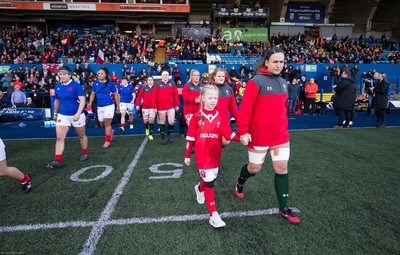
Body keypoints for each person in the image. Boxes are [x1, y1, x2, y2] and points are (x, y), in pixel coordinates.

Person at [235, 47, 300, 224]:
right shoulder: (255, 82)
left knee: (282, 168)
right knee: (254, 169)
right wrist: (243, 131)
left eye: (281, 61)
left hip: (280, 136)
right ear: (267, 62)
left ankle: (284, 207)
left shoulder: (284, 82)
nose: (279, 65)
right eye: (275, 61)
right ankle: (240, 180)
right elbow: (246, 109)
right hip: (259, 135)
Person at [184, 85, 238, 228]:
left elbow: (229, 134)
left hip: (215, 154)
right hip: (202, 156)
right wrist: (187, 154)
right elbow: (190, 137)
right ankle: (213, 215)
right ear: (202, 98)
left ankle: (199, 189)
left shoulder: (220, 117)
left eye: (215, 98)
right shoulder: (196, 117)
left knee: (210, 178)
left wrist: (243, 138)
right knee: (210, 182)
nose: (213, 100)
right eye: (210, 97)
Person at [46, 66, 88, 169]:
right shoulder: (58, 87)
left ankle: (84, 152)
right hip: (63, 115)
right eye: (60, 74)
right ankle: (57, 160)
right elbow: (57, 101)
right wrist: (55, 114)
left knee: (81, 135)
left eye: (64, 74)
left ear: (69, 75)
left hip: (76, 114)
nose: (62, 76)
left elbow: (82, 100)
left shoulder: (76, 86)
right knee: (59, 137)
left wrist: (78, 114)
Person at [210, 68, 239, 173]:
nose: (221, 78)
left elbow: (233, 108)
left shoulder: (229, 89)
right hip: (211, 122)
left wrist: (239, 119)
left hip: (224, 122)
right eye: (219, 76)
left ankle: (209, 153)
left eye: (223, 76)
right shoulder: (209, 89)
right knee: (215, 143)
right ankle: (215, 164)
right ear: (214, 77)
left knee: (226, 142)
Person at [88, 67, 120, 149]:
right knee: (102, 124)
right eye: (99, 73)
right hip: (99, 107)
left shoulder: (110, 84)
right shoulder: (95, 84)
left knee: (107, 123)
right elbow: (93, 94)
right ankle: (111, 131)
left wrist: (118, 106)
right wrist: (90, 103)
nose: (99, 75)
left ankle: (107, 141)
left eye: (102, 73)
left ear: (105, 75)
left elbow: (115, 95)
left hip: (109, 106)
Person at [153, 70, 179, 145]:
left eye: (167, 75)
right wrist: (155, 107)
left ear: (169, 76)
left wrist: (177, 104)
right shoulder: (157, 84)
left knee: (171, 122)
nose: (165, 76)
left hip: (170, 106)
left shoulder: (172, 83)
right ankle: (162, 137)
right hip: (161, 107)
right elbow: (154, 96)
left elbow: (175, 94)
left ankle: (169, 134)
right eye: (164, 75)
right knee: (162, 122)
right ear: (161, 76)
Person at [135, 76, 156, 140]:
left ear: (153, 81)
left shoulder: (156, 88)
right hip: (145, 107)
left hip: (153, 107)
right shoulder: (143, 88)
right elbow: (139, 97)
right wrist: (137, 104)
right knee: (146, 121)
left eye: (151, 80)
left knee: (151, 120)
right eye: (149, 80)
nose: (150, 81)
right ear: (147, 81)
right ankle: (147, 128)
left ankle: (150, 134)